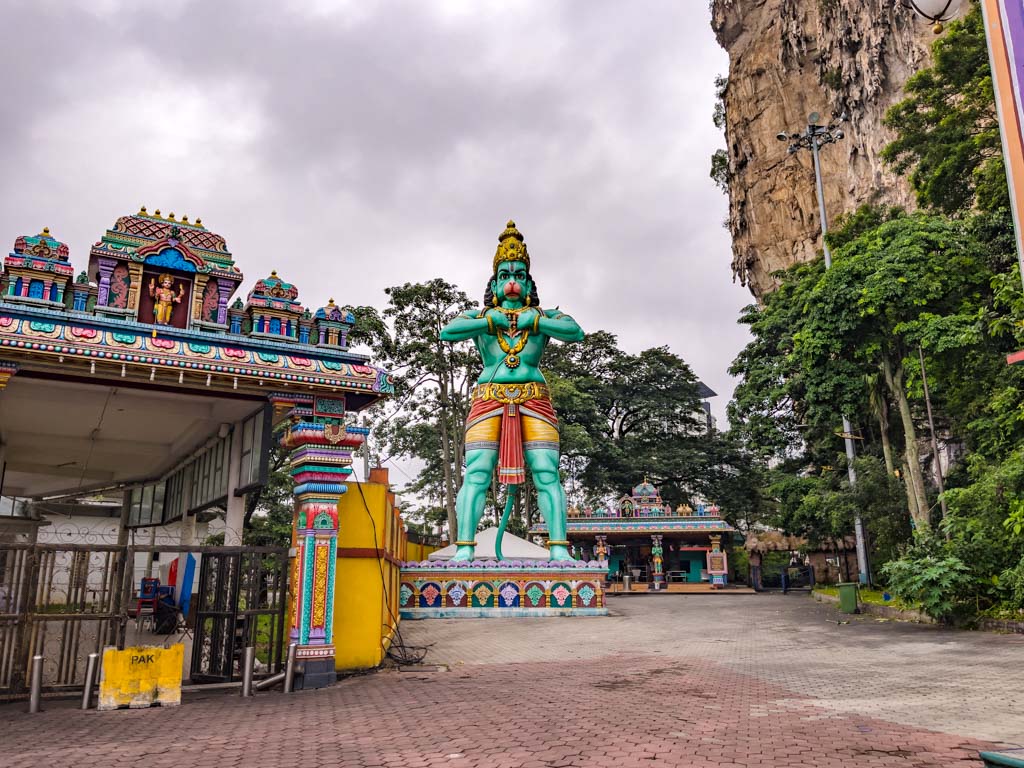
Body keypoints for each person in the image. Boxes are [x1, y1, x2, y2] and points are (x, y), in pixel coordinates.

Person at [440, 222, 584, 562]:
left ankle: (559, 549)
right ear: (493, 284)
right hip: (489, 397)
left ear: (530, 284)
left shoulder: (544, 316)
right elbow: (449, 331)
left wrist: (535, 322)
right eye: (504, 275)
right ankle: (464, 548)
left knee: (546, 471)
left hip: (535, 398)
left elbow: (574, 331)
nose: (512, 281)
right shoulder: (480, 316)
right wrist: (492, 322)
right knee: (477, 471)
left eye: (519, 275)